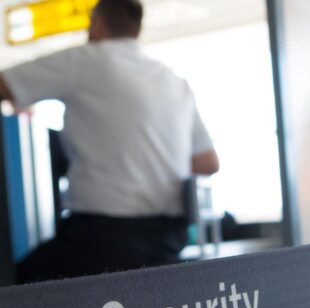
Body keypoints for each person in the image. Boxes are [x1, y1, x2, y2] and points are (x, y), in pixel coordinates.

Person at [0, 0, 219, 283]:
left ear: (97, 23)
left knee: (17, 283)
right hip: (167, 241)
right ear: (136, 30)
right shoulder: (174, 80)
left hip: (102, 239)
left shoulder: (85, 59)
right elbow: (208, 162)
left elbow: (4, 86)